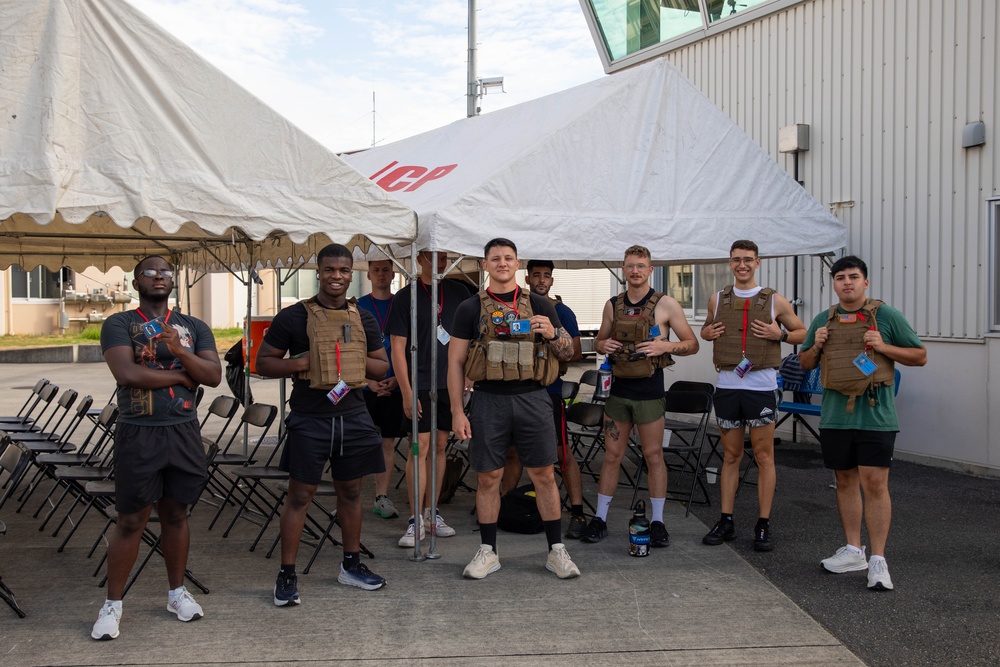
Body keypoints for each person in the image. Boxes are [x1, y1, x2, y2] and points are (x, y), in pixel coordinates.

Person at [92, 255, 221, 640]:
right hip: (139, 431)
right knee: (131, 519)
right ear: (136, 283)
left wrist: (181, 351)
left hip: (182, 431)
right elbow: (126, 373)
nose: (159, 277)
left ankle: (176, 593)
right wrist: (185, 374)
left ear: (173, 281)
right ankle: (112, 605)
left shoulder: (193, 326)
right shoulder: (119, 323)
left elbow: (212, 375)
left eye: (166, 272)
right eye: (150, 272)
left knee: (177, 515)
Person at [256, 243, 390, 606]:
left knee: (350, 493)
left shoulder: (362, 318)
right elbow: (263, 363)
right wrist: (303, 364)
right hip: (310, 418)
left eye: (344, 271)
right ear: (319, 271)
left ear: (351, 274)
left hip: (353, 415)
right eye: (329, 270)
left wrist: (350, 361)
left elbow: (381, 366)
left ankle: (351, 565)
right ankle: (287, 574)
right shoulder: (293, 316)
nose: (336, 277)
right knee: (300, 496)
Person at [448, 238, 581, 579]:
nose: (502, 263)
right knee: (488, 476)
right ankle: (488, 551)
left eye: (508, 258)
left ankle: (556, 551)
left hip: (533, 397)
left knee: (544, 475)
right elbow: (455, 363)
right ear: (485, 264)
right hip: (488, 399)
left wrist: (552, 333)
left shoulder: (540, 304)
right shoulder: (469, 308)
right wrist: (457, 412)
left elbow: (568, 353)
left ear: (517, 263)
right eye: (495, 258)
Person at [799, 255, 925, 591]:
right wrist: (818, 344)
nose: (847, 283)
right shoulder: (823, 319)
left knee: (874, 485)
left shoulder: (886, 315)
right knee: (844, 481)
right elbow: (805, 360)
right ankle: (854, 550)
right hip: (836, 417)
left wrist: (884, 346)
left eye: (853, 277)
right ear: (834, 283)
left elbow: (920, 356)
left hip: (876, 416)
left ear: (865, 282)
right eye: (840, 278)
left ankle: (879, 561)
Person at [581, 245, 699, 547]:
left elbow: (692, 343)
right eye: (630, 265)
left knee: (653, 456)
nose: (635, 271)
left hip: (650, 393)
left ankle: (658, 522)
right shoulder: (613, 305)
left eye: (641, 266)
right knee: (612, 456)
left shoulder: (666, 305)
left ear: (650, 269)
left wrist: (665, 347)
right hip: (618, 393)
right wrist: (602, 344)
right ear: (624, 268)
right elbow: (599, 340)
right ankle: (601, 519)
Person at [699, 240, 807, 552]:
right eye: (736, 260)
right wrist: (706, 333)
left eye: (748, 260)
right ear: (729, 263)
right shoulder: (717, 298)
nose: (742, 265)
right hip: (729, 386)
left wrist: (781, 335)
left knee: (763, 457)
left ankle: (763, 524)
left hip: (761, 387)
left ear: (757, 262)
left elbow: (804, 333)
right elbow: (706, 330)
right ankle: (726, 520)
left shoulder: (774, 300)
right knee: (731, 455)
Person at [501, 260, 587, 540]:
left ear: (552, 280)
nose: (541, 280)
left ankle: (577, 512)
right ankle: (503, 507)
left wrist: (551, 339)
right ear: (527, 279)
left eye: (546, 276)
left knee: (561, 455)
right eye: (536, 275)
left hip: (548, 394)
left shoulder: (561, 311)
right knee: (513, 453)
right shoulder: (516, 311)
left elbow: (575, 353)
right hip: (516, 393)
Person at [387, 251, 469, 546]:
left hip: (450, 383)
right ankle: (415, 519)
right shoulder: (404, 297)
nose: (441, 262)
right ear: (420, 258)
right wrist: (406, 391)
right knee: (418, 447)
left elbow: (470, 338)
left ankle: (433, 513)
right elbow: (397, 348)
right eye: (434, 256)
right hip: (418, 382)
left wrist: (469, 375)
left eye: (445, 257)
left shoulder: (459, 292)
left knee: (440, 445)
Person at [357, 259, 406, 520]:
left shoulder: (402, 305)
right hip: (364, 386)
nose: (380, 274)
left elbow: (410, 347)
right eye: (375, 270)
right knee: (360, 443)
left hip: (394, 385)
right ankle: (350, 497)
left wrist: (398, 379)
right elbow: (350, 349)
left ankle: (381, 497)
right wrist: (367, 381)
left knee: (387, 442)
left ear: (393, 273)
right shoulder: (357, 306)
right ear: (368, 274)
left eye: (385, 269)